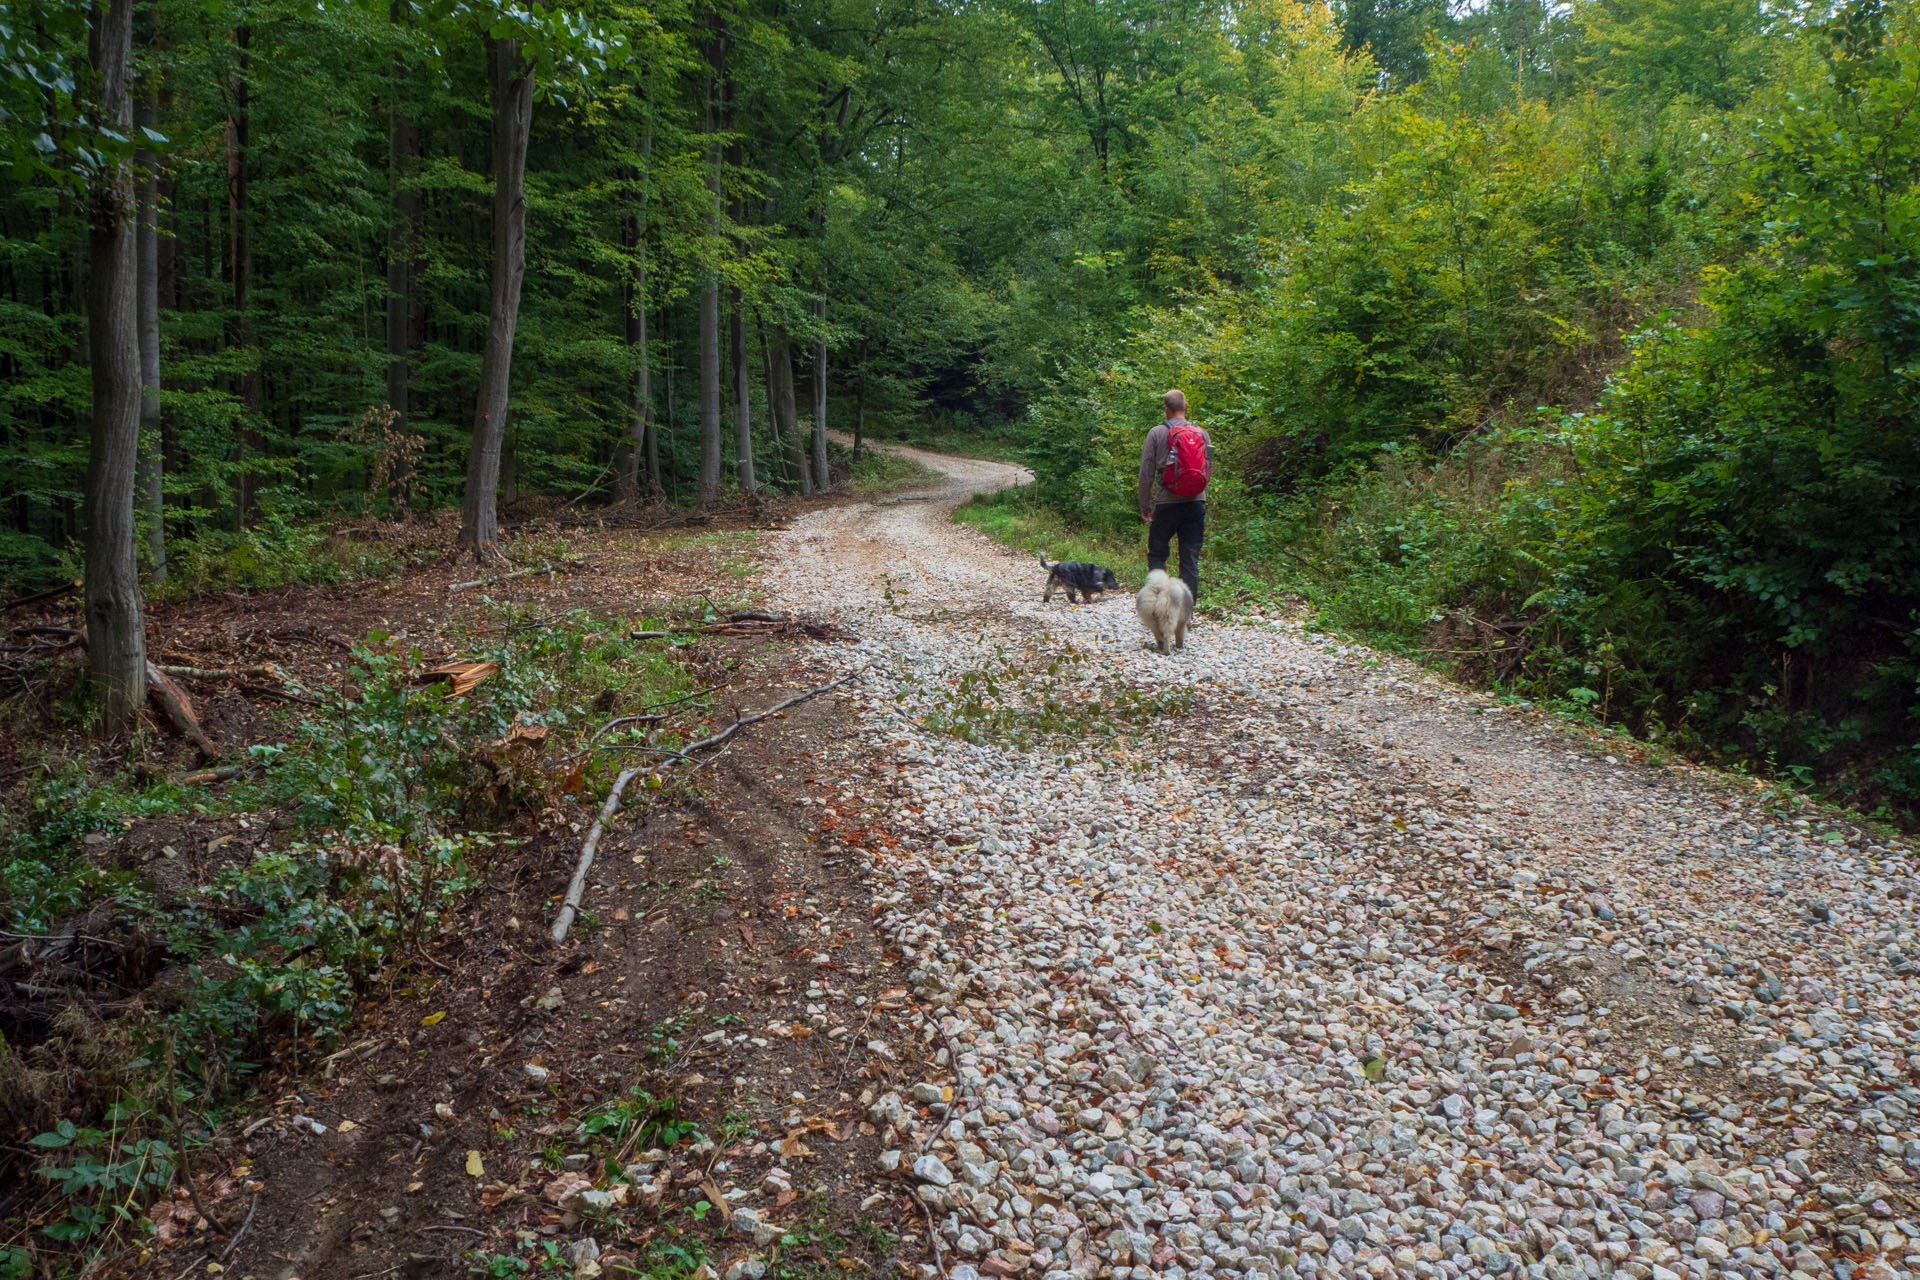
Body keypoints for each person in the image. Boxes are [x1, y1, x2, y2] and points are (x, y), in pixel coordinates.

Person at [1137, 389, 1211, 602]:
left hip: (1167, 504)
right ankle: (1187, 614)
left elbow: (1146, 473)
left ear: (1166, 408)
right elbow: (1208, 469)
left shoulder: (1156, 433)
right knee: (1189, 559)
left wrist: (1145, 505)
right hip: (1196, 502)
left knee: (1158, 555)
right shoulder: (1202, 433)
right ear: (1186, 407)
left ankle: (1158, 605)